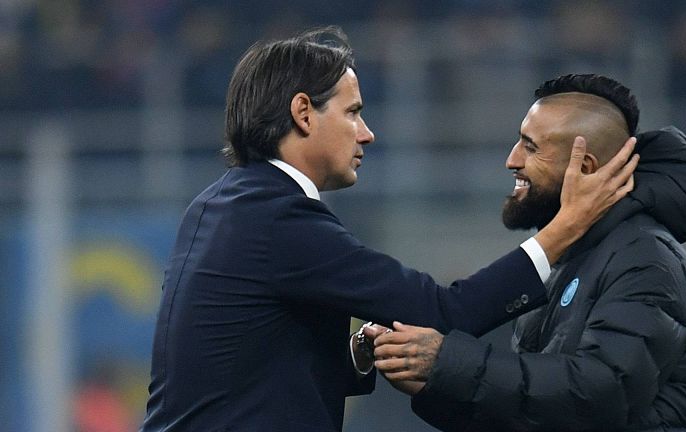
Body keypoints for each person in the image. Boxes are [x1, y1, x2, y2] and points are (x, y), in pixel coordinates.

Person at [140, 27, 639, 432]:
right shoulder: (278, 219)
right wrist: (564, 228)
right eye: (353, 112)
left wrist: (358, 352)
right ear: (303, 113)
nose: (367, 133)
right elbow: (446, 311)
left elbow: (249, 364)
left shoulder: (219, 204)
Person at [373, 74, 686, 432]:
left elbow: (598, 395)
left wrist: (449, 362)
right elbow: (537, 413)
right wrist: (437, 386)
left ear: (585, 167)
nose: (512, 160)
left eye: (531, 147)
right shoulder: (565, 258)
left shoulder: (645, 257)